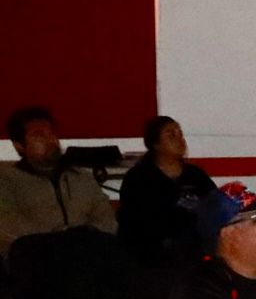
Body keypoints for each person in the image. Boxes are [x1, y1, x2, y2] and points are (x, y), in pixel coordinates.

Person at [1, 106, 116, 258]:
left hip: (86, 253)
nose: (50, 140)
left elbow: (106, 217)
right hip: (35, 256)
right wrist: (58, 238)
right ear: (19, 146)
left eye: (52, 134)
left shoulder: (81, 178)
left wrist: (87, 234)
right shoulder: (7, 181)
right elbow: (8, 225)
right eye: (39, 136)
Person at [117, 115, 217, 264]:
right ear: (156, 144)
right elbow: (136, 221)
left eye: (180, 134)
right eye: (171, 135)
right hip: (151, 253)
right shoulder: (138, 178)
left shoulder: (195, 175)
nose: (180, 139)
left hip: (195, 248)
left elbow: (215, 204)